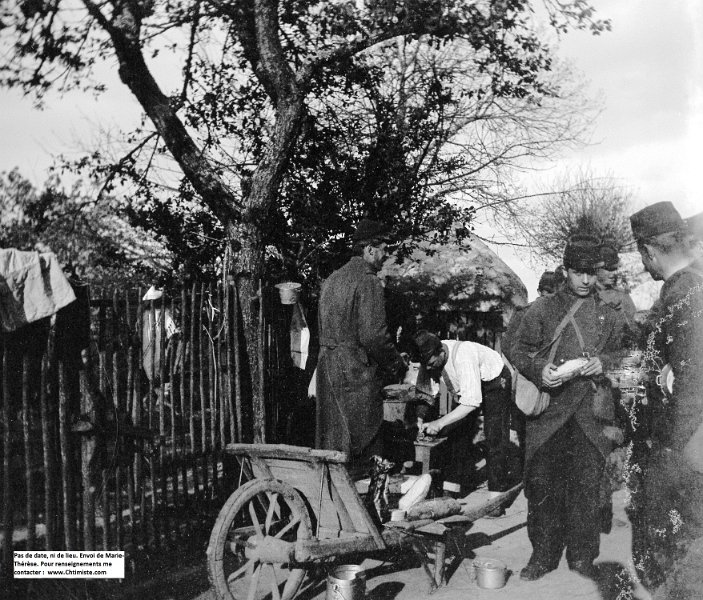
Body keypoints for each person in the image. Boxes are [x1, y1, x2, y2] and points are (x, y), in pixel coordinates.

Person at [511, 234, 623, 581]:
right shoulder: (543, 309)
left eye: (592, 273)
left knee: (587, 488)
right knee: (543, 486)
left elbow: (630, 358)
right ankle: (542, 555)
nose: (587, 280)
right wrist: (537, 369)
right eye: (579, 273)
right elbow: (518, 350)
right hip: (550, 415)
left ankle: (582, 556)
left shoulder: (609, 313)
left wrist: (604, 362)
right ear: (566, 270)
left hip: (591, 414)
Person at [629, 201, 703, 598]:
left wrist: (674, 448)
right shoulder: (692, 284)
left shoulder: (682, 292)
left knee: (681, 545)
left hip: (682, 441)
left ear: (649, 251)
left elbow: (693, 381)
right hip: (683, 437)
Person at [316, 219, 407, 470]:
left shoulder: (331, 280)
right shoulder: (368, 281)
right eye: (383, 248)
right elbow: (373, 336)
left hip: (328, 370)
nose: (386, 254)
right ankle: (362, 507)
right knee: (364, 445)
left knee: (333, 442)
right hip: (355, 373)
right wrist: (397, 366)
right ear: (369, 250)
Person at [414, 330, 513, 495]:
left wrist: (439, 423)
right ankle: (451, 488)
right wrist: (419, 417)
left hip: (494, 380)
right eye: (427, 366)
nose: (429, 368)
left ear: (442, 352)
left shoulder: (463, 356)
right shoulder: (430, 357)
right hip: (467, 387)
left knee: (495, 435)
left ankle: (496, 493)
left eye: (431, 364)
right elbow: (427, 392)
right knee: (457, 432)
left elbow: (471, 403)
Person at [596, 242, 637, 328]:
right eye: (608, 269)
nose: (613, 274)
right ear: (596, 268)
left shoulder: (622, 296)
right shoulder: (586, 294)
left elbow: (633, 326)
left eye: (615, 269)